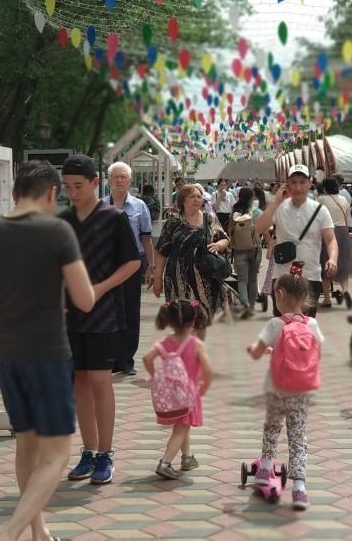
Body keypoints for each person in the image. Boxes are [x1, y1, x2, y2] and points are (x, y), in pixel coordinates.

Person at [0, 161, 96, 541]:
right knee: (57, 454)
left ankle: (39, 530)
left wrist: (6, 298)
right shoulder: (57, 232)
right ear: (52, 193)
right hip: (46, 351)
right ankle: (9, 534)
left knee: (27, 442)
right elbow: (85, 299)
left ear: (15, 192)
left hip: (6, 352)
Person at [60, 154, 141, 485]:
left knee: (99, 379)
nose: (72, 193)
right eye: (67, 186)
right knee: (79, 380)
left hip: (105, 312)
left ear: (95, 183)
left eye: (78, 186)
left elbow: (132, 262)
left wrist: (100, 288)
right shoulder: (63, 221)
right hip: (71, 313)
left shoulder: (113, 218)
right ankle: (88, 451)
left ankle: (106, 453)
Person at [246, 262, 323, 511]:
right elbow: (317, 354)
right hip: (301, 391)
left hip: (277, 389)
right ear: (305, 296)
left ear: (279, 294)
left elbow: (257, 352)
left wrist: (255, 349)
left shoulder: (275, 324)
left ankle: (265, 469)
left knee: (272, 428)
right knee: (298, 437)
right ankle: (299, 488)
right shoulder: (312, 325)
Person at [255, 165, 337, 317]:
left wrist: (332, 259)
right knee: (282, 324)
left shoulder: (320, 210)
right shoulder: (279, 208)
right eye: (293, 182)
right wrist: (276, 202)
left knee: (306, 324)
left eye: (302, 182)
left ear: (309, 183)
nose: (298, 187)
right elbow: (259, 228)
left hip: (310, 275)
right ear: (287, 184)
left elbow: (331, 239)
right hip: (283, 276)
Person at [143, 300, 212, 480]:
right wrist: (204, 386)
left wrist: (155, 375)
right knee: (181, 429)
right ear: (193, 321)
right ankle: (165, 463)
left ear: (170, 321)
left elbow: (146, 358)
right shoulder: (196, 344)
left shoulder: (165, 342)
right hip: (188, 394)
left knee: (182, 425)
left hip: (171, 394)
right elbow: (208, 370)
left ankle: (187, 458)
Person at [153, 184, 233, 332]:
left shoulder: (209, 218)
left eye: (199, 196)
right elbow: (162, 251)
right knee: (181, 319)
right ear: (183, 200)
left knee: (201, 320)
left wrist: (219, 245)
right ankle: (185, 343)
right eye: (192, 197)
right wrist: (157, 278)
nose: (197, 199)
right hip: (178, 279)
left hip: (205, 280)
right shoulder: (173, 222)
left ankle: (194, 345)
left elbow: (225, 239)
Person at [104, 162, 155, 375]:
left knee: (131, 312)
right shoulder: (100, 206)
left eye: (123, 176)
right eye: (115, 176)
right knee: (109, 312)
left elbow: (146, 238)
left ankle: (126, 360)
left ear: (130, 180)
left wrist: (151, 266)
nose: (119, 180)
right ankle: (111, 358)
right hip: (107, 265)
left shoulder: (139, 206)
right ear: (109, 180)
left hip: (133, 264)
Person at [318, 177, 352, 309]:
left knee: (325, 264)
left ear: (325, 188)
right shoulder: (343, 200)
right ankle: (345, 291)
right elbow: (348, 219)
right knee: (342, 264)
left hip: (328, 232)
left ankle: (327, 299)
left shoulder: (321, 200)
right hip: (343, 232)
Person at [230, 187, 265, 318]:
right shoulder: (256, 212)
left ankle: (244, 305)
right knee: (253, 279)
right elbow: (265, 227)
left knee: (242, 280)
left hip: (239, 250)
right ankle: (251, 307)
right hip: (255, 249)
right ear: (252, 198)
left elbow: (230, 230)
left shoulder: (234, 212)